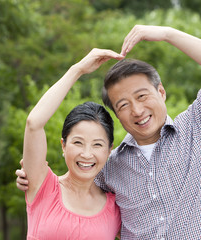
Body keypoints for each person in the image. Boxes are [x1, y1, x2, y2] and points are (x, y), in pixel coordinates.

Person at [17, 25, 201, 239]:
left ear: (161, 92)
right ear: (117, 115)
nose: (137, 110)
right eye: (123, 105)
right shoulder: (110, 167)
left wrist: (166, 34)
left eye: (142, 96)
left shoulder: (197, 128)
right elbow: (77, 193)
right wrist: (30, 176)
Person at [22, 48, 124, 239]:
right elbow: (34, 124)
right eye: (78, 142)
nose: (87, 154)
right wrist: (77, 70)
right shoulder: (42, 185)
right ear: (63, 145)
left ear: (109, 150)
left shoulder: (115, 207)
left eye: (97, 145)